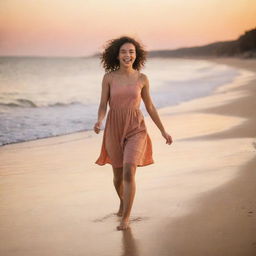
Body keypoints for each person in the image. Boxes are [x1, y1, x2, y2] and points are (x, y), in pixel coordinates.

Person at [93, 36, 172, 230]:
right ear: (117, 55)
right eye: (124, 52)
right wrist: (100, 120)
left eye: (131, 52)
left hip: (136, 128)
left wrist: (163, 130)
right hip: (114, 128)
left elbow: (150, 106)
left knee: (129, 169)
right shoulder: (109, 78)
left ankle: (126, 218)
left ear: (136, 55)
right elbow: (103, 104)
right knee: (118, 177)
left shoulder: (142, 78)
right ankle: (123, 200)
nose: (128, 55)